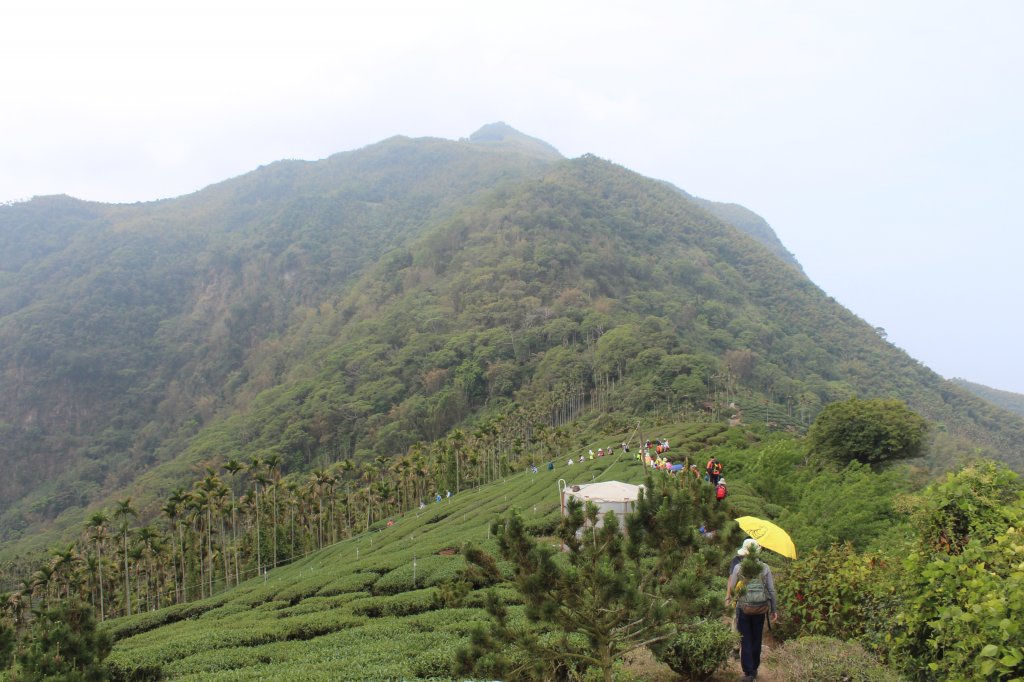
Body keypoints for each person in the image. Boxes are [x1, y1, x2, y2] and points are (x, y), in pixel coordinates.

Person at [726, 544, 779, 682]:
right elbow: (771, 590)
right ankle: (754, 669)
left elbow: (732, 589)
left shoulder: (739, 567)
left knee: (746, 639)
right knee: (757, 638)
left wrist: (732, 601)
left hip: (743, 608)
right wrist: (774, 609)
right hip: (761, 608)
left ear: (745, 553)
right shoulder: (765, 567)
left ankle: (748, 672)